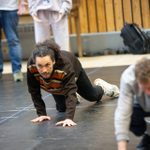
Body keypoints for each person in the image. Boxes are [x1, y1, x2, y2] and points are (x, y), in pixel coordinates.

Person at [27, 39, 119, 127]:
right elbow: (34, 90)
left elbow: (70, 90)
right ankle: (75, 98)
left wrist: (69, 118)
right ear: (35, 63)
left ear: (53, 61)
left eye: (47, 65)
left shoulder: (65, 66)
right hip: (56, 80)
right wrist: (41, 114)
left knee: (93, 96)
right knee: (62, 108)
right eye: (40, 66)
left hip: (74, 69)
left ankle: (102, 87)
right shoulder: (31, 66)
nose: (44, 70)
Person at [114, 57, 150, 150]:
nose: (148, 93)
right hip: (142, 106)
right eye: (145, 88)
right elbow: (122, 113)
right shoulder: (128, 78)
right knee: (132, 119)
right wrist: (122, 148)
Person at [0, 0, 27, 81]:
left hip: (10, 8)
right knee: (13, 41)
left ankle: (17, 71)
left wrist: (22, 2)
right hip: (10, 8)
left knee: (13, 40)